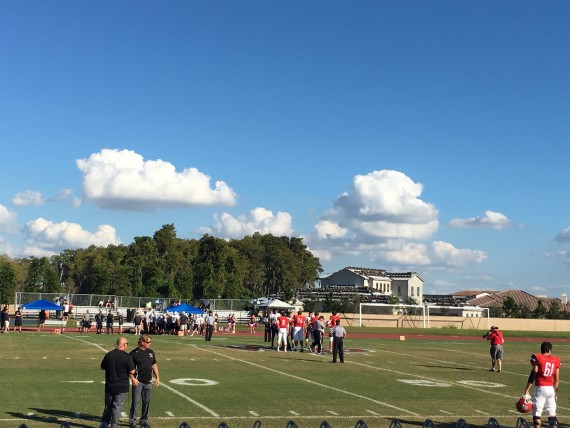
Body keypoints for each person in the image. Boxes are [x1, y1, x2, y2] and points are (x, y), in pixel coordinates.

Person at [101, 337, 137, 428]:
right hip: (121, 386)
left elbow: (102, 367)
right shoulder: (127, 357)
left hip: (109, 385)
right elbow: (132, 371)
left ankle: (105, 423)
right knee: (117, 406)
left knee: (108, 406)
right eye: (127, 344)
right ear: (124, 344)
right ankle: (114, 424)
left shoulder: (109, 355)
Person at [523, 341, 560, 428]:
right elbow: (557, 380)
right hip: (551, 389)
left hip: (540, 388)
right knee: (552, 417)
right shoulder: (556, 360)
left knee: (537, 416)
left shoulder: (538, 358)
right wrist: (554, 392)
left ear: (541, 350)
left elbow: (533, 374)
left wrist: (527, 389)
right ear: (549, 350)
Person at [129, 334, 160, 428]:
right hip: (138, 382)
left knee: (147, 402)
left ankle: (144, 420)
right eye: (148, 342)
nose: (149, 343)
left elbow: (154, 365)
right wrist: (133, 379)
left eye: (150, 342)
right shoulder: (134, 353)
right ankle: (132, 421)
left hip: (148, 381)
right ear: (142, 342)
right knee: (135, 402)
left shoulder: (151, 352)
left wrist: (157, 377)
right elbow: (128, 368)